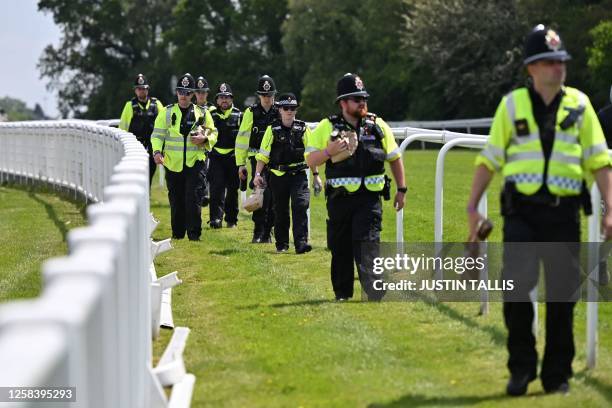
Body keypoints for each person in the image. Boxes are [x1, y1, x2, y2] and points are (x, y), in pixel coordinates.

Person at [466, 25, 612, 396]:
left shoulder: (580, 106)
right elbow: (490, 159)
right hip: (522, 215)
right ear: (531, 68)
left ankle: (556, 375)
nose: (557, 67)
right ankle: (521, 368)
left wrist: (610, 207)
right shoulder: (511, 105)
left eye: (560, 60)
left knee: (562, 298)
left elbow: (599, 160)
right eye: (548, 61)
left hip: (564, 216)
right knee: (516, 291)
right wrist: (471, 207)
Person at [305, 73, 406, 301]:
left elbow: (395, 158)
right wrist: (329, 152)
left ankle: (374, 292)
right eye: (355, 98)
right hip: (339, 200)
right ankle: (342, 293)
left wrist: (402, 189)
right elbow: (310, 160)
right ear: (343, 103)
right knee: (340, 248)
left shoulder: (378, 125)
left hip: (369, 199)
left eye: (363, 98)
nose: (362, 102)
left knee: (368, 243)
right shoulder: (326, 126)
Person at [151, 73, 217, 241]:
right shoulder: (166, 112)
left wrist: (205, 139)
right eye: (180, 91)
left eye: (187, 92)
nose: (183, 95)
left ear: (193, 94)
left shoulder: (202, 113)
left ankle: (194, 235)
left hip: (195, 163)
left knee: (194, 198)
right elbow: (157, 135)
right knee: (176, 199)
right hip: (172, 163)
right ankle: (178, 234)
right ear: (177, 92)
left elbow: (213, 133)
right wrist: (157, 152)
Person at [254, 93, 318, 253]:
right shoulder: (272, 129)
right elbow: (263, 155)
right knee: (280, 210)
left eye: (293, 108)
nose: (289, 111)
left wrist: (316, 176)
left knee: (300, 205)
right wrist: (257, 175)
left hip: (299, 175)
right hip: (278, 176)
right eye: (286, 108)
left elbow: (311, 155)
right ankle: (281, 244)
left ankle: (301, 243)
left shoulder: (303, 128)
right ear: (280, 109)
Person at [235, 75, 279, 243]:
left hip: (277, 160)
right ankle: (258, 231)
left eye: (269, 95)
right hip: (257, 159)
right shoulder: (251, 112)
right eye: (264, 95)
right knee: (261, 194)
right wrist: (241, 164)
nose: (267, 99)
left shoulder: (280, 111)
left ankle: (269, 231)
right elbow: (242, 139)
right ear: (259, 96)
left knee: (274, 196)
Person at [118, 73, 164, 185]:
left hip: (153, 145)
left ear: (147, 89)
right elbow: (123, 128)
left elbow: (164, 125)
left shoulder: (156, 104)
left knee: (150, 172)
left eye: (143, 89)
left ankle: (146, 196)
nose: (141, 91)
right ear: (135, 91)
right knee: (137, 174)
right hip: (135, 146)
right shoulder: (129, 106)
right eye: (138, 89)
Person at [208, 83, 242, 228]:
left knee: (233, 190)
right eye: (221, 97)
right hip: (216, 156)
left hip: (233, 157)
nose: (224, 100)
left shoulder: (239, 115)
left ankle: (231, 219)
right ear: (216, 100)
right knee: (216, 188)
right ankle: (215, 218)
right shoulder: (211, 115)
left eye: (227, 97)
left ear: (231, 99)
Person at [195, 75, 212, 207]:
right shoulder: (191, 109)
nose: (201, 95)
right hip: (197, 147)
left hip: (212, 145)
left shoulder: (213, 109)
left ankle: (206, 195)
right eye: (198, 92)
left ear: (207, 93)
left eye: (203, 92)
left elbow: (215, 129)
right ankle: (202, 195)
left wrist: (205, 136)